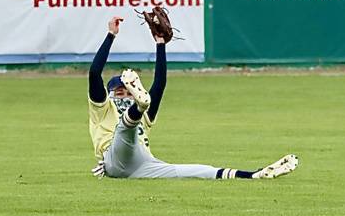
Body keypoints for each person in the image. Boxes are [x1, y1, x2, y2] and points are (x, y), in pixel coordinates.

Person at [87, 15, 298, 179]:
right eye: (120, 91)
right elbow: (95, 73)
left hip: (143, 163)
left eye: (127, 91)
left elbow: (159, 84)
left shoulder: (131, 109)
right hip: (114, 158)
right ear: (110, 93)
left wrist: (160, 43)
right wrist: (110, 35)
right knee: (125, 129)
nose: (123, 95)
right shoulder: (103, 109)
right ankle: (141, 105)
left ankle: (254, 175)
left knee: (194, 171)